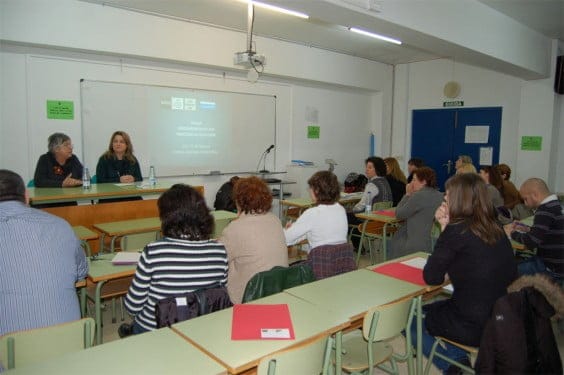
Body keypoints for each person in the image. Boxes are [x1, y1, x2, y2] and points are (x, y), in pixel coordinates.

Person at [413, 173, 517, 374]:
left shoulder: (457, 230)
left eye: (448, 196)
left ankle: (451, 368)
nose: (444, 199)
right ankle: (459, 360)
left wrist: (445, 227)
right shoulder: (495, 227)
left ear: (460, 199)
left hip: (473, 324)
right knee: (436, 308)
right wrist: (446, 227)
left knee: (410, 318)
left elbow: (432, 277)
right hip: (499, 318)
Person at [123, 184, 228, 333]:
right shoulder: (219, 251)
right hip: (201, 327)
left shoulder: (154, 252)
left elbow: (132, 306)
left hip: (156, 331)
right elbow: (218, 296)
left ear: (167, 218)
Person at [0, 169, 88, 336]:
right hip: (70, 341)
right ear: (27, 196)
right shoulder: (61, 225)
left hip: (10, 355)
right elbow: (82, 271)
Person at [220, 176, 287, 304]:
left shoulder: (235, 228)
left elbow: (218, 258)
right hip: (278, 290)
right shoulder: (275, 220)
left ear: (238, 200)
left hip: (249, 295)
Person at [504, 178, 564, 281]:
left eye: (525, 199)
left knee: (508, 273)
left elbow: (531, 242)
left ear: (535, 195)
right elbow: (547, 231)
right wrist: (527, 229)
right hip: (556, 264)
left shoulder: (544, 210)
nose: (525, 204)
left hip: (549, 268)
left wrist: (511, 233)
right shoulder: (555, 205)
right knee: (516, 265)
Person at [389, 167, 443, 258]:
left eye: (414, 180)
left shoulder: (418, 196)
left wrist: (407, 195)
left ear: (424, 182)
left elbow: (399, 214)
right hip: (426, 242)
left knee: (394, 241)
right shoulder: (439, 195)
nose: (411, 183)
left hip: (410, 243)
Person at [285, 171, 348, 250]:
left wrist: (289, 230)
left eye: (310, 187)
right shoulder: (341, 210)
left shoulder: (312, 213)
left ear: (317, 190)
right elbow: (315, 232)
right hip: (341, 260)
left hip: (320, 261)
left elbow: (285, 239)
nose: (309, 190)